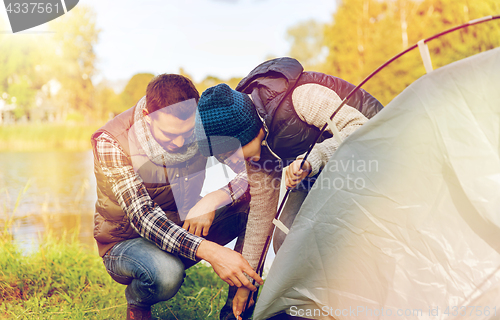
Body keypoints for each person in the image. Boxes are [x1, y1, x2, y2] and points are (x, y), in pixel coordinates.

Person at [195, 57, 384, 319]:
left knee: (339, 236)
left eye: (234, 154)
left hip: (375, 157)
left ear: (248, 131)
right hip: (320, 171)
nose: (236, 163)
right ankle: (314, 307)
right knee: (286, 238)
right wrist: (246, 286)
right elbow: (261, 216)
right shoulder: (256, 149)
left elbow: (361, 129)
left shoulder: (301, 98)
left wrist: (313, 159)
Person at [90, 74, 263, 320]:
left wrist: (214, 197)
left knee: (251, 207)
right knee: (166, 274)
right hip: (127, 241)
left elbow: (253, 175)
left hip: (182, 226)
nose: (181, 142)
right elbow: (143, 217)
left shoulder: (203, 121)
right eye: (170, 135)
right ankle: (138, 302)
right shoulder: (111, 142)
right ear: (148, 117)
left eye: (189, 132)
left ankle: (235, 310)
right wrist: (212, 253)